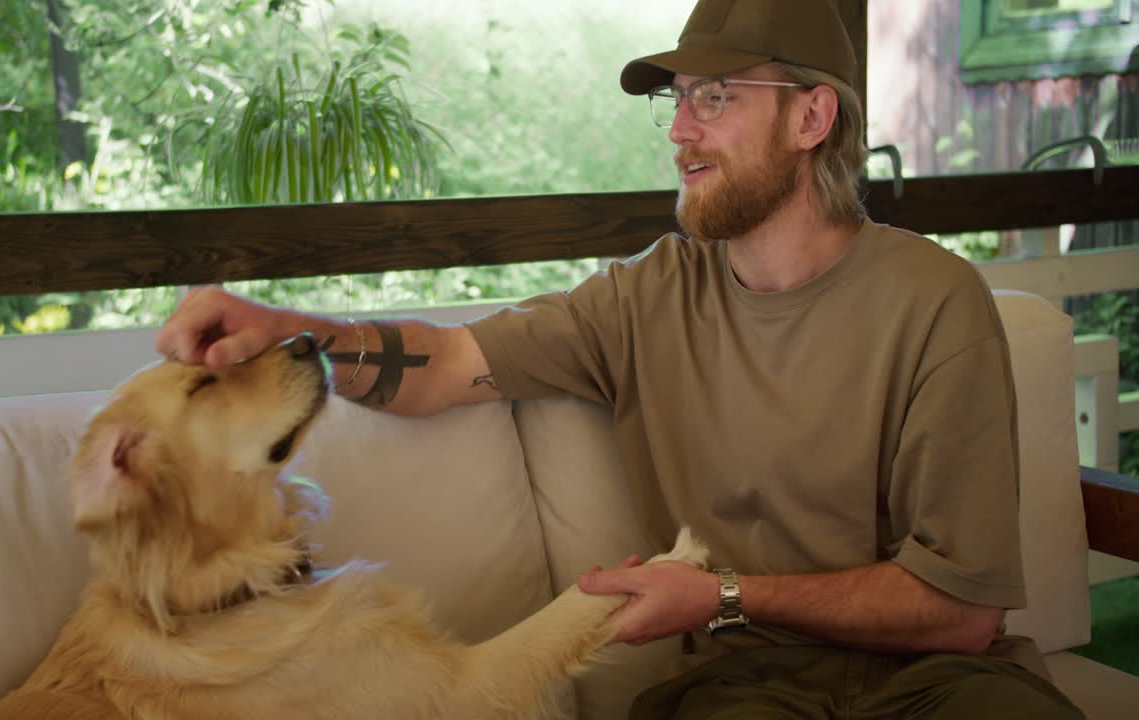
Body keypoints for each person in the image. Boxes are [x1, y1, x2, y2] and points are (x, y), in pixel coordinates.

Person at [156, 0, 1085, 716]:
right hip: (748, 692)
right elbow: (441, 366)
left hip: (939, 687)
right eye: (677, 102)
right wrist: (289, 333)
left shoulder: (935, 303)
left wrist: (718, 594)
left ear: (811, 119)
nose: (680, 131)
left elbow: (961, 615)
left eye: (716, 99)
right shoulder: (647, 296)